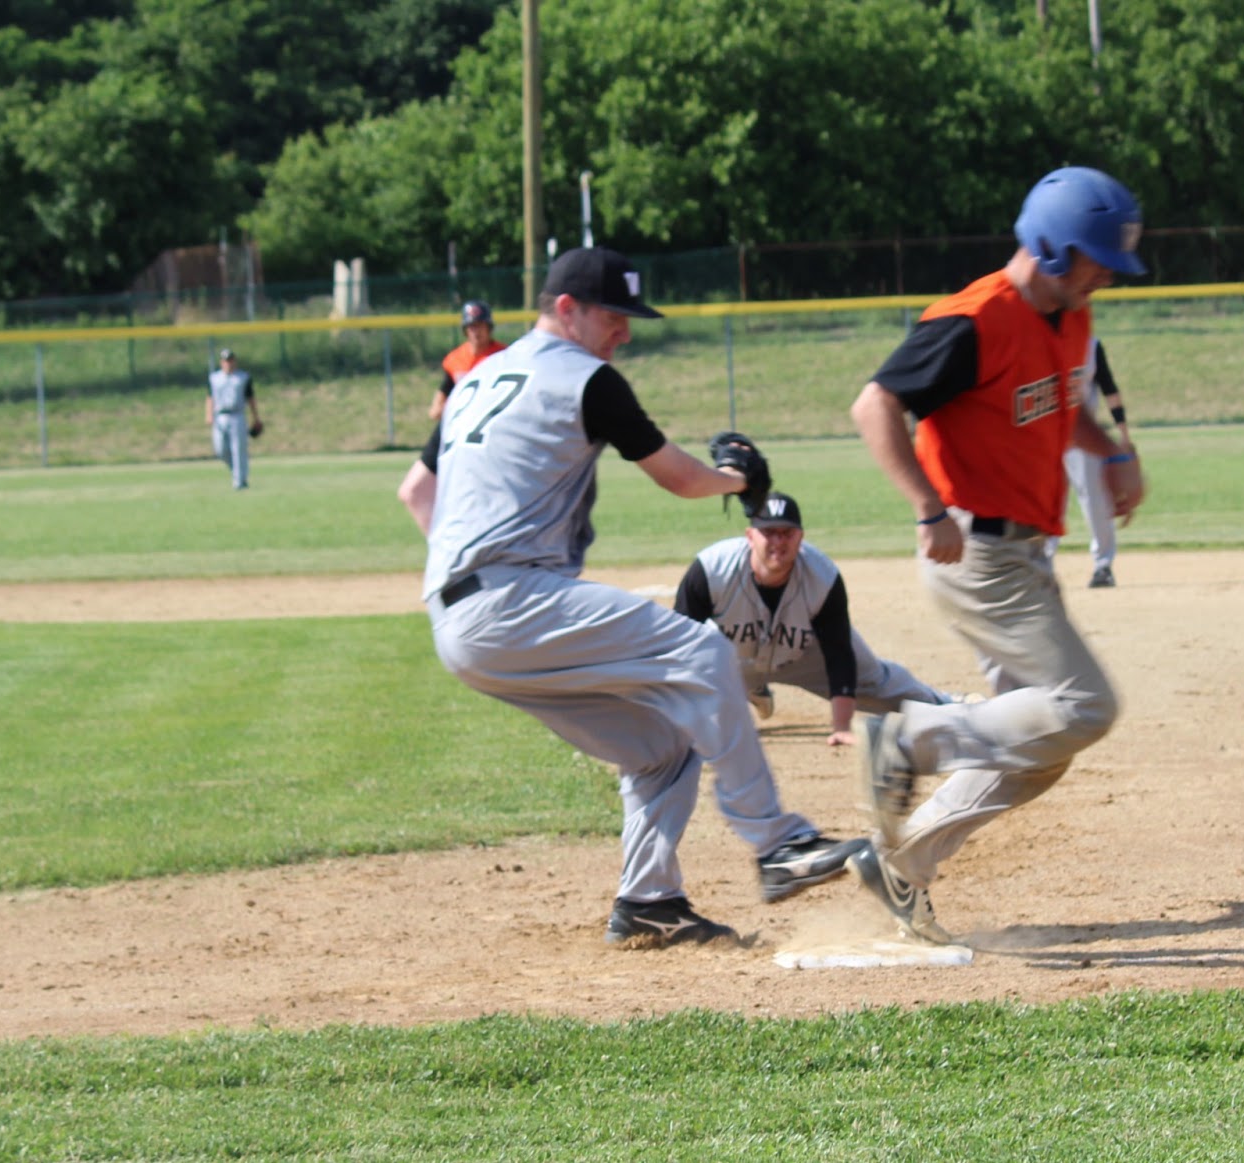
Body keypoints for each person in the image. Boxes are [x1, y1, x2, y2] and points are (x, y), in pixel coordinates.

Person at [422, 246, 865, 947]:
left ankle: (650, 899)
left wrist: (464, 566)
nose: (624, 331)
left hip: (456, 620)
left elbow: (418, 491)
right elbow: (684, 479)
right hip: (512, 601)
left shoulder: (476, 378)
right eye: (613, 316)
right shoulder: (586, 377)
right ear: (566, 309)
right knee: (701, 649)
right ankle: (779, 844)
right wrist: (739, 479)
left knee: (663, 747)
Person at [846, 165, 1148, 946]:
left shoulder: (1069, 319)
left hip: (1027, 555)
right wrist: (926, 506)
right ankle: (907, 739)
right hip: (974, 552)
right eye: (1096, 258)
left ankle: (903, 864)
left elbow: (1060, 407)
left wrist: (1112, 451)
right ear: (1051, 250)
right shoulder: (973, 319)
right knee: (1087, 706)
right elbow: (875, 403)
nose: (1107, 274)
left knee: (1042, 747)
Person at [673, 491, 965, 748]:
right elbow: (679, 648)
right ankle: (748, 687)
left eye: (787, 533)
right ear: (750, 536)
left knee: (877, 681)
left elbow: (839, 654)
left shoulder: (822, 577)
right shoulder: (711, 569)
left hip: (804, 657)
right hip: (732, 658)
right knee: (704, 658)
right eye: (769, 532)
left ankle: (951, 708)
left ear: (801, 536)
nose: (779, 541)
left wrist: (841, 728)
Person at [398, 301, 507, 532]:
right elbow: (440, 398)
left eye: (480, 326)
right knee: (413, 492)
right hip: (456, 432)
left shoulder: (504, 356)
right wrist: (438, 407)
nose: (476, 331)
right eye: (471, 327)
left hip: (490, 437)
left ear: (489, 328)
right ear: (465, 330)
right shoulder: (455, 359)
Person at [1047, 338, 1133, 588]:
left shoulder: (1090, 345)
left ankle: (1103, 565)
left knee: (1095, 499)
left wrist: (1124, 435)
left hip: (1085, 437)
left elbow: (1110, 390)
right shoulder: (1037, 338)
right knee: (1047, 501)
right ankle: (1043, 563)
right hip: (1045, 436)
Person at [206, 348, 261, 490]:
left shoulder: (243, 377)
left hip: (237, 415)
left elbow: (251, 398)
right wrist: (209, 414)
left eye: (230, 360)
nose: (228, 363)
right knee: (220, 450)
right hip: (220, 416)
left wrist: (256, 417)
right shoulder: (214, 378)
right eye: (225, 360)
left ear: (234, 361)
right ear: (221, 362)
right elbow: (210, 397)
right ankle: (237, 471)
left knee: (238, 449)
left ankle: (240, 481)